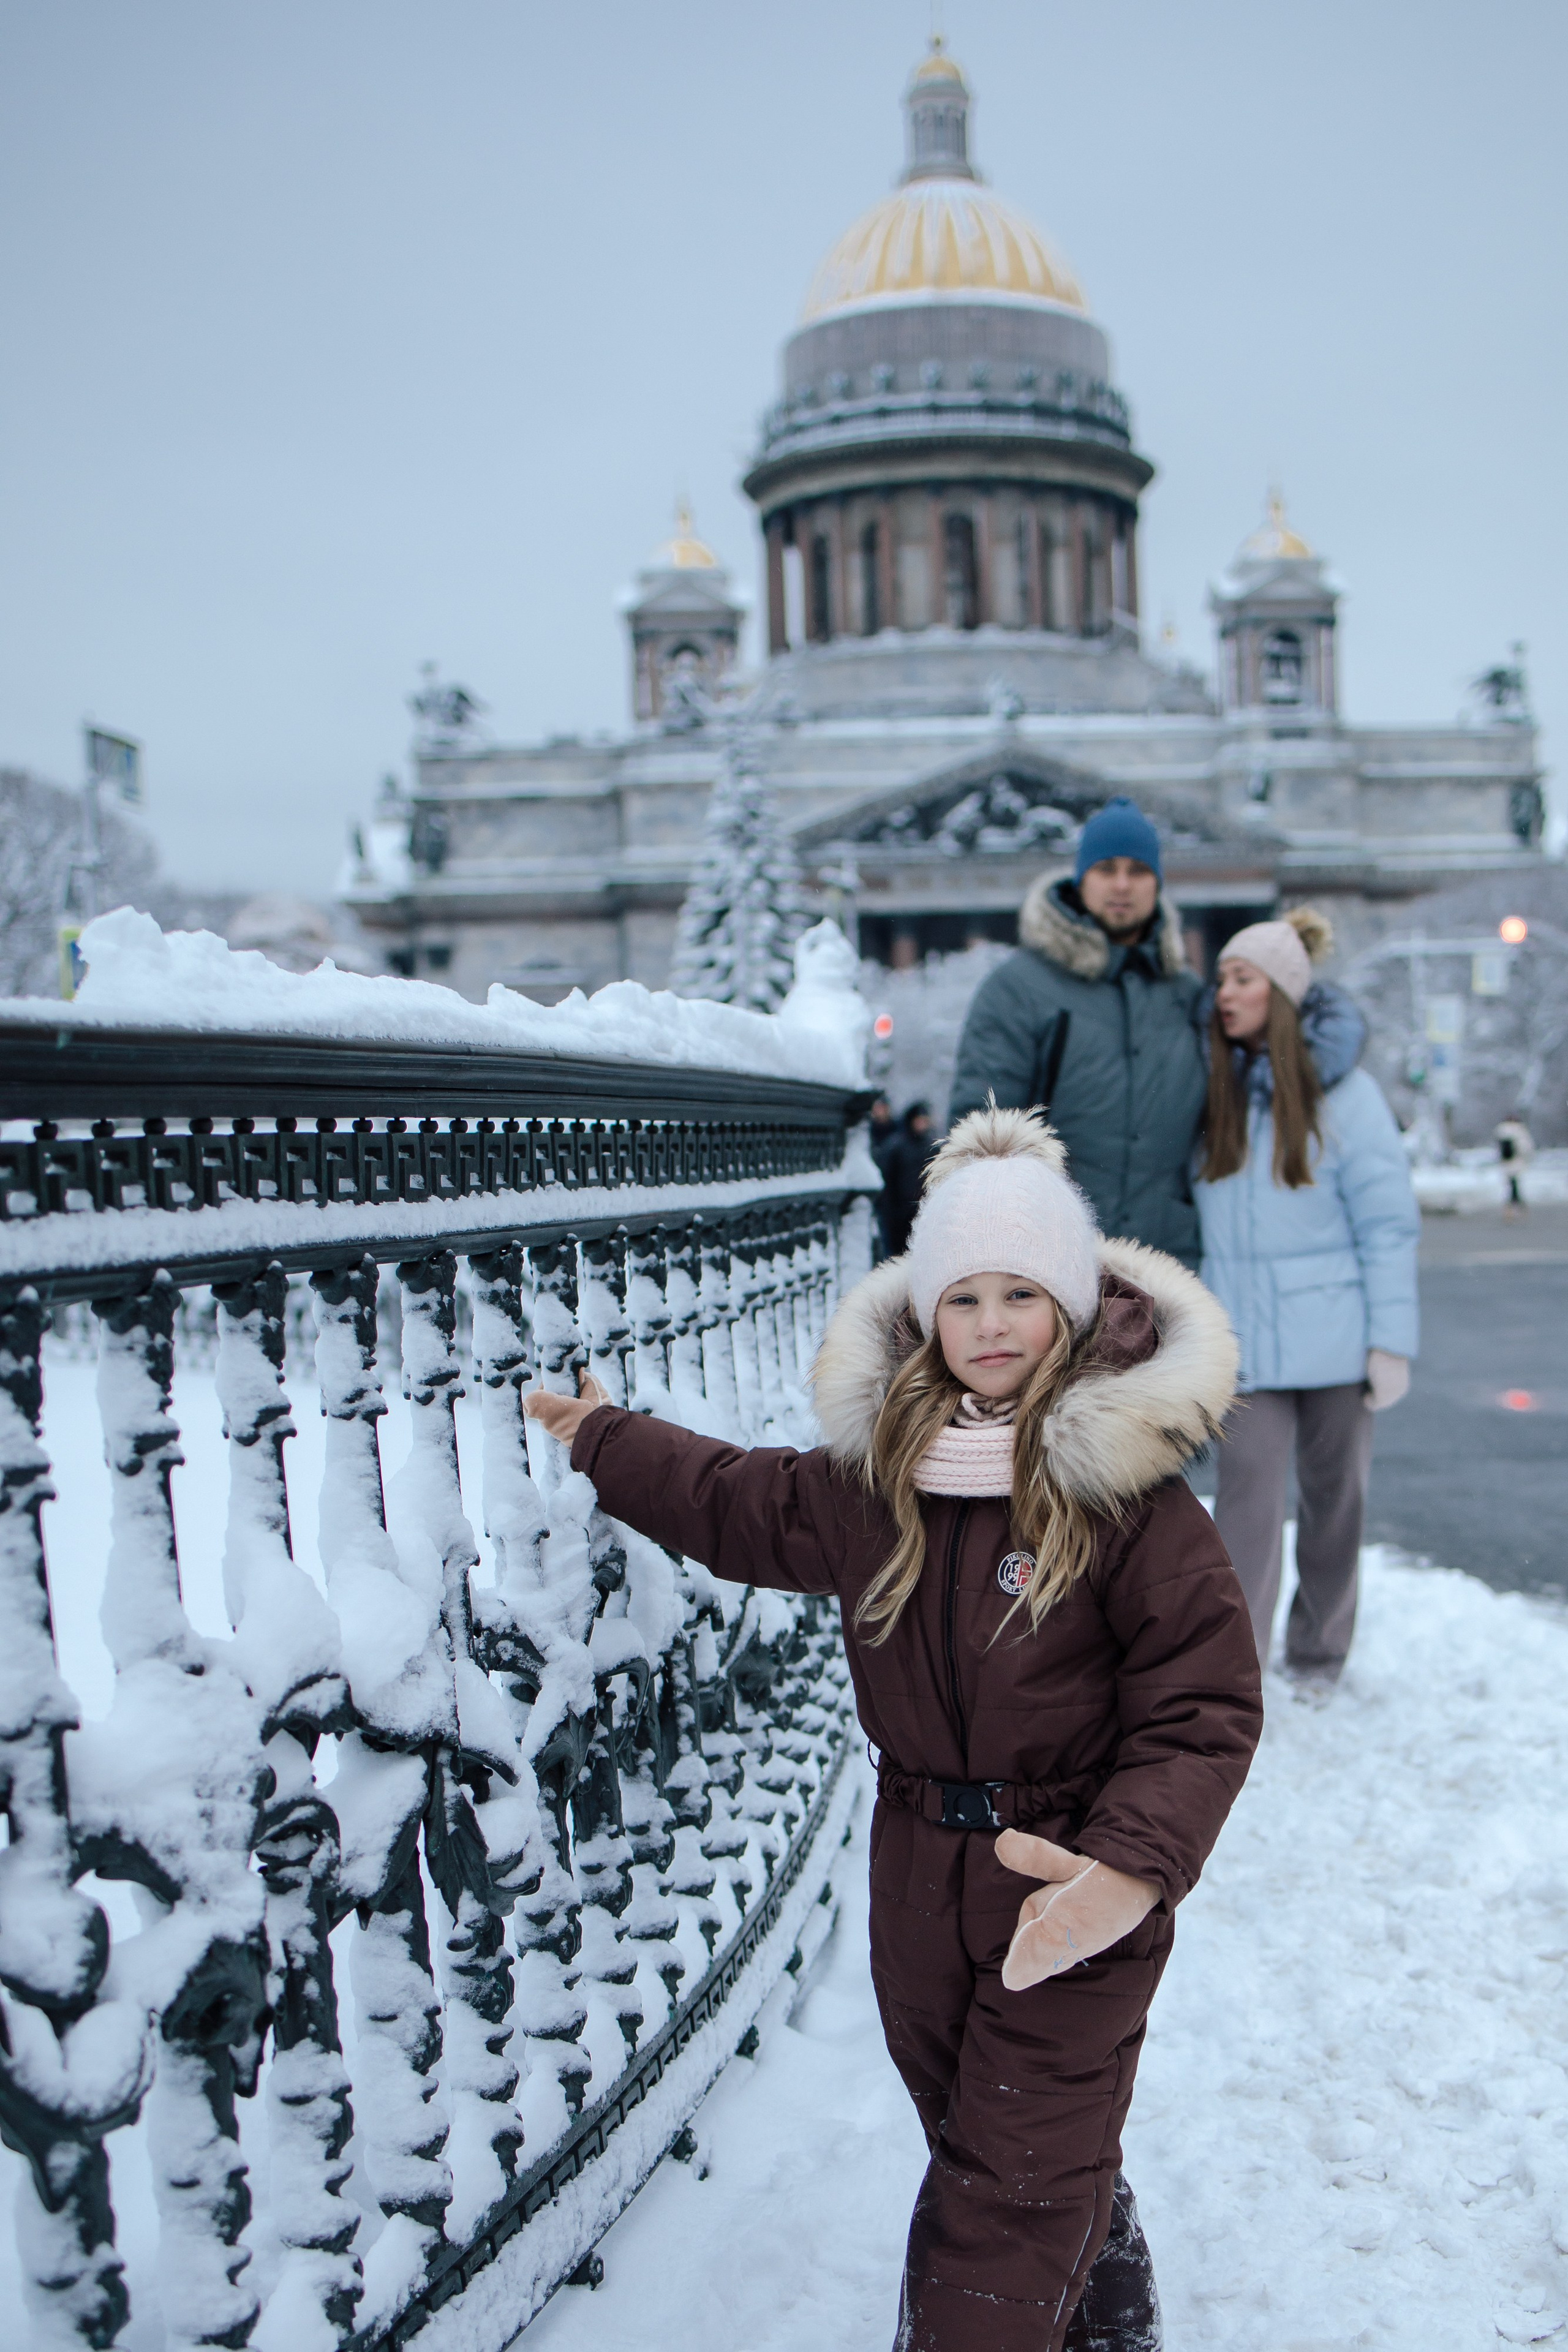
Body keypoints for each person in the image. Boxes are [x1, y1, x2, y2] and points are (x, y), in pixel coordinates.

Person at [527, 1107, 1262, 2351]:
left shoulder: (1127, 1498)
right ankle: (1107, 2330)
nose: (988, 1325)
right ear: (925, 1312)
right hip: (918, 1872)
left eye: (1019, 1295)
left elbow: (1203, 1706)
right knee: (993, 2139)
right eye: (961, 1297)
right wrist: (606, 1438)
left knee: (1001, 2194)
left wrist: (1125, 1868)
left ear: (1070, 1309)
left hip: (1067, 1882)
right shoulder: (877, 1481)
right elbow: (732, 1504)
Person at [1194, 907, 1420, 1682]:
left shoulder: (1345, 1097)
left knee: (1335, 1504)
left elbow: (1388, 1224)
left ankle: (1320, 1651)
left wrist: (1389, 1341)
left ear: (1282, 994)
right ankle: (1237, 1666)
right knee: (1245, 1506)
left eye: (1242, 979)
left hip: (1337, 1341)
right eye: (1221, 978)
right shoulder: (1212, 1089)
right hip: (1243, 1347)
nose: (1224, 993)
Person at [948, 797, 1206, 1268]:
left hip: (1168, 1271)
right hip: (1054, 1266)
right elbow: (978, 1137)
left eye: (1139, 870)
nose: (1123, 884)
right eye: (1107, 868)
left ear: (1158, 884)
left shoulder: (1187, 996)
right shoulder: (1020, 989)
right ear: (1081, 878)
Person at [880, 1099, 938, 1256]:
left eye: (925, 1121)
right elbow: (889, 1182)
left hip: (924, 1211)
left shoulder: (932, 1146)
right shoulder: (896, 1146)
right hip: (900, 1215)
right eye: (920, 1120)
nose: (923, 1124)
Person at [1496, 1115, 1534, 1221]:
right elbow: (1525, 1147)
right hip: (1517, 1161)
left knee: (1512, 1184)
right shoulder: (1519, 1130)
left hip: (1506, 1162)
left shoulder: (1501, 1131)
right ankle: (1515, 1207)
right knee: (1515, 1185)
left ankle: (1512, 1207)